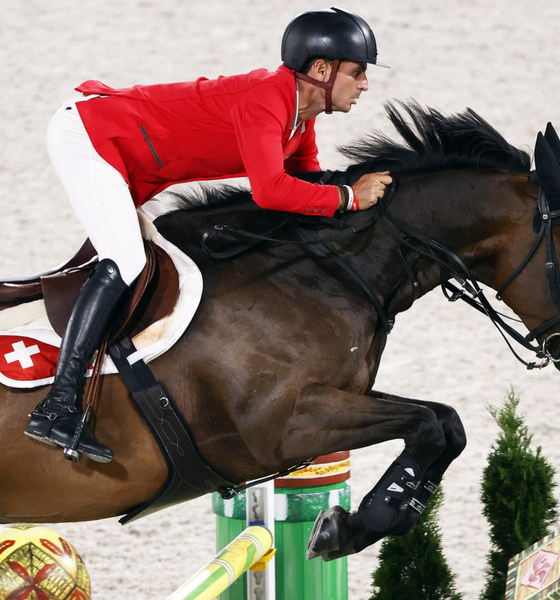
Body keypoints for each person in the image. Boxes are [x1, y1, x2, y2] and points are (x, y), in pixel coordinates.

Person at [24, 7, 394, 463]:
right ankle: (57, 406)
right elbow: (272, 191)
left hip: (134, 166)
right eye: (357, 72)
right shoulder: (267, 99)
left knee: (166, 254)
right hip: (90, 137)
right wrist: (351, 198)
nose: (364, 84)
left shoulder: (301, 118)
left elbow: (310, 182)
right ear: (321, 69)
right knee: (127, 260)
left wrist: (378, 186)